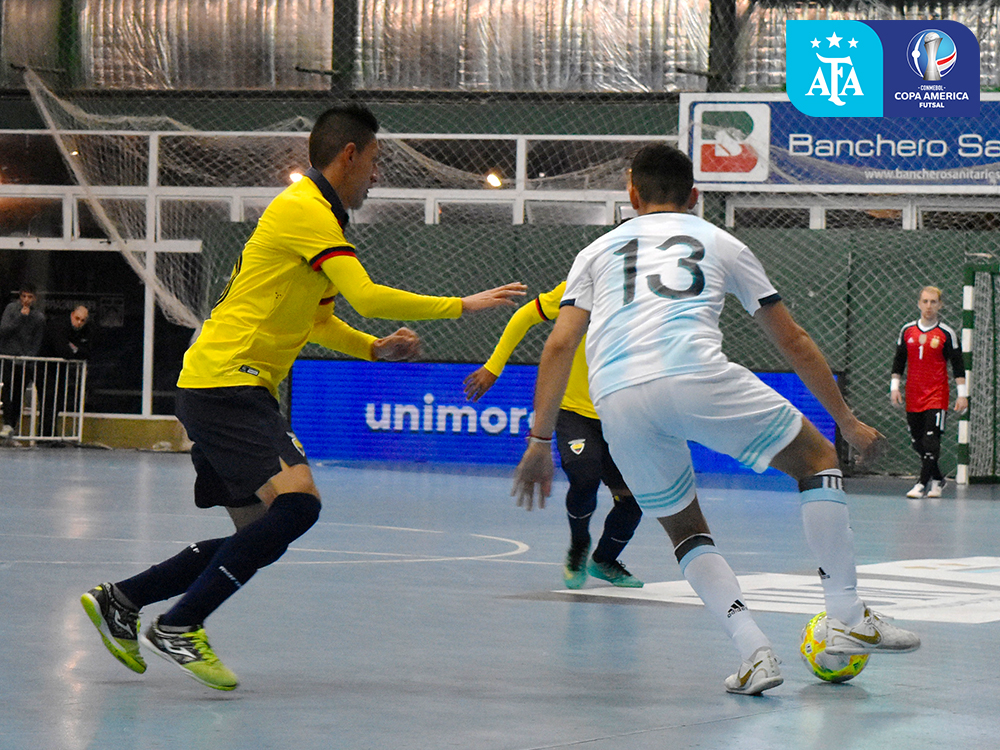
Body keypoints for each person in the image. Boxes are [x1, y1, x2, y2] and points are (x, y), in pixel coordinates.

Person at [80, 103, 526, 691]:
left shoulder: (320, 222)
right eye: (375, 161)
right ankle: (181, 624)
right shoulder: (305, 210)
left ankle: (124, 599)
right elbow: (364, 295)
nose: (377, 174)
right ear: (350, 155)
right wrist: (460, 306)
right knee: (299, 506)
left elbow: (323, 322)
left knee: (260, 533)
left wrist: (374, 350)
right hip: (227, 381)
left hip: (223, 383)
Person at [511, 144, 920, 696]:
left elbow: (559, 345)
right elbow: (793, 341)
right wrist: (846, 421)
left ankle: (753, 650)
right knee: (818, 459)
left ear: (631, 194)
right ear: (696, 197)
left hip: (617, 400)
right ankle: (845, 612)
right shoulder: (722, 241)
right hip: (694, 372)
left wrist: (539, 441)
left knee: (685, 530)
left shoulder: (595, 252)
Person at [464, 281, 643, 589]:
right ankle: (578, 547)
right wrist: (494, 367)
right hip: (573, 410)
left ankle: (604, 560)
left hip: (623, 414)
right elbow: (523, 316)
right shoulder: (588, 282)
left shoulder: (660, 294)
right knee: (584, 476)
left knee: (634, 501)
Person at [890, 286, 967, 499]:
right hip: (914, 394)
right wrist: (894, 388)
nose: (929, 306)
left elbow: (958, 366)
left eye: (933, 302)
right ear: (918, 303)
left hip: (937, 394)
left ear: (940, 305)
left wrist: (962, 394)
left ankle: (921, 484)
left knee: (931, 441)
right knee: (918, 442)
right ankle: (938, 478)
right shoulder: (907, 331)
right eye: (925, 301)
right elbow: (899, 361)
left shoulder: (946, 333)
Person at [0, 283, 46, 438]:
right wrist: (20, 317)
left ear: (35, 298)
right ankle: (7, 423)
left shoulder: (39, 318)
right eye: (24, 296)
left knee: (19, 394)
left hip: (25, 361)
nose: (26, 300)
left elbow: (37, 342)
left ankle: (12, 426)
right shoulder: (11, 309)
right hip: (9, 358)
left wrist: (29, 358)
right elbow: (4, 331)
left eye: (30, 297)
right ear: (20, 297)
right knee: (7, 390)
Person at [40, 305, 93, 438]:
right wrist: (75, 349)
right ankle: (45, 435)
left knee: (57, 401)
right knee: (48, 401)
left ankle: (50, 434)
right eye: (77, 318)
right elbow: (63, 351)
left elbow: (88, 351)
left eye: (83, 320)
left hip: (60, 370)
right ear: (72, 314)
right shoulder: (59, 325)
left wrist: (74, 349)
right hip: (44, 368)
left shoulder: (85, 330)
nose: (79, 323)